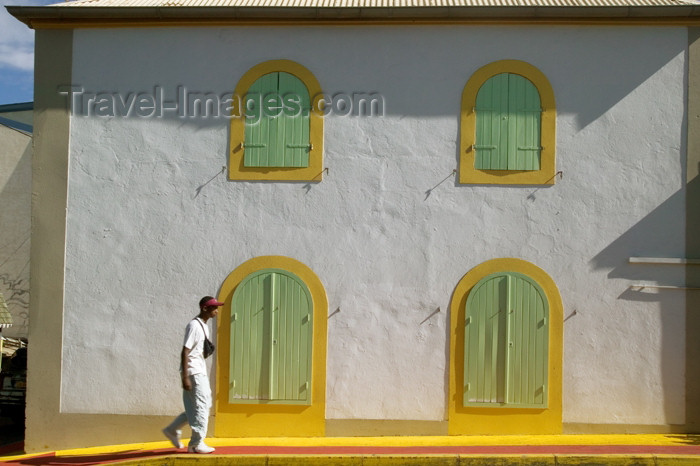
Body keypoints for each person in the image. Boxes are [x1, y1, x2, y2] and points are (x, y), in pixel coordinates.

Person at [163, 296, 223, 454]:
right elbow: (185, 350)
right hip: (194, 372)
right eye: (213, 307)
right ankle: (196, 443)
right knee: (202, 406)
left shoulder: (203, 325)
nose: (216, 310)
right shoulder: (194, 326)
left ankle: (172, 429)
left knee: (196, 407)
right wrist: (185, 376)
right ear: (204, 308)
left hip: (197, 370)